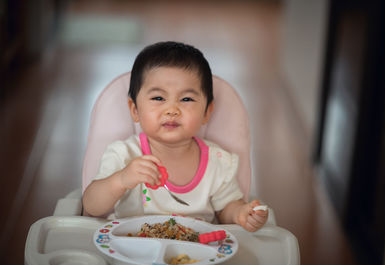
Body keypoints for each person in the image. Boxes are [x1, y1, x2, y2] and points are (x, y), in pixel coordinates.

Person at [82, 41, 268, 232]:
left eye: (186, 99)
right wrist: (120, 180)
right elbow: (91, 206)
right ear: (134, 109)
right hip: (131, 247)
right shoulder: (124, 154)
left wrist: (241, 214)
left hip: (195, 254)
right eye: (158, 98)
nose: (172, 110)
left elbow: (227, 208)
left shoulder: (218, 162)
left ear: (207, 112)